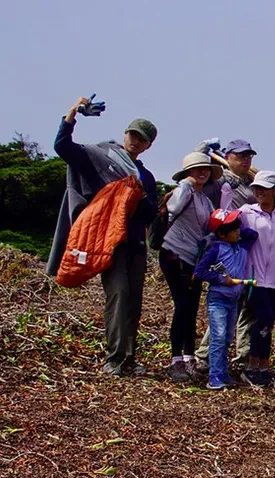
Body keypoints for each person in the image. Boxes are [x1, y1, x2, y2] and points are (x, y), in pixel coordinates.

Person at [47, 95, 158, 376]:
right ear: (125, 135)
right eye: (133, 134)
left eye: (141, 138)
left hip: (134, 242)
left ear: (148, 145)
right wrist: (72, 113)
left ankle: (129, 358)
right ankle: (115, 358)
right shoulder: (102, 157)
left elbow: (149, 214)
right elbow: (63, 147)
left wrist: (139, 196)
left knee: (134, 300)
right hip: (108, 241)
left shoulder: (145, 176)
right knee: (118, 295)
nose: (135, 141)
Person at [193, 139, 275, 370]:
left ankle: (245, 360)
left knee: (251, 316)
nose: (245, 161)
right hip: (233, 261)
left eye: (248, 156)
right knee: (224, 311)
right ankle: (205, 357)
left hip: (258, 266)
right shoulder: (219, 180)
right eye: (240, 156)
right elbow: (197, 175)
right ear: (227, 156)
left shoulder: (252, 184)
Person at [159, 152, 221, 381]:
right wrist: (185, 183)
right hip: (174, 254)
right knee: (183, 305)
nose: (202, 172)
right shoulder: (183, 191)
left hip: (194, 259)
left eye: (206, 169)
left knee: (192, 307)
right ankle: (176, 359)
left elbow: (209, 226)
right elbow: (173, 208)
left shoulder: (204, 198)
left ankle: (188, 356)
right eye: (197, 169)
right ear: (188, 172)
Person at [236, 171, 275, 387]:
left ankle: (263, 367)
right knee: (262, 321)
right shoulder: (246, 213)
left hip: (274, 280)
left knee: (268, 324)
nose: (259, 192)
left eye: (264, 188)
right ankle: (252, 367)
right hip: (253, 278)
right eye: (256, 188)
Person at [193, 209, 259, 390]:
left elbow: (253, 234)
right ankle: (214, 375)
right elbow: (200, 271)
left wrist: (235, 225)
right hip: (218, 298)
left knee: (228, 337)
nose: (238, 231)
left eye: (238, 227)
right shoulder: (216, 248)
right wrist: (223, 280)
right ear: (222, 233)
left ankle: (223, 372)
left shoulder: (242, 245)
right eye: (233, 228)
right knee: (218, 336)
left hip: (234, 299)